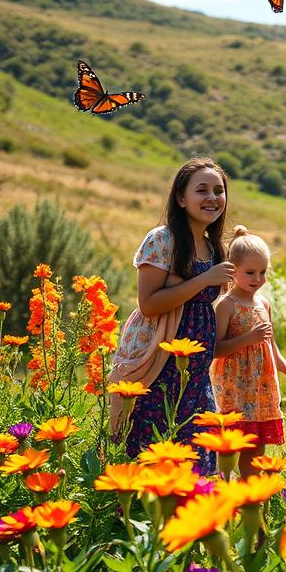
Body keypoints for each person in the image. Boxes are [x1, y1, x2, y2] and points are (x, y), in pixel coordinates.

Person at [109, 157, 234, 471]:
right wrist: (203, 279)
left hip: (196, 369)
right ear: (181, 198)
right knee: (150, 447)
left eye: (218, 190)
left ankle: (192, 516)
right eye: (202, 190)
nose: (212, 197)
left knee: (199, 452)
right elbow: (149, 303)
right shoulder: (162, 240)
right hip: (160, 362)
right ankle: (136, 515)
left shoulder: (212, 246)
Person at [210, 226, 286, 477]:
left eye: (262, 272)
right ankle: (225, 485)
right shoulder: (226, 305)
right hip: (234, 387)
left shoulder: (264, 303)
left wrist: (283, 364)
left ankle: (250, 491)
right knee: (232, 442)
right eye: (250, 272)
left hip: (261, 387)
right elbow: (216, 349)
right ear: (232, 270)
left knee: (257, 441)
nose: (257, 279)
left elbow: (270, 343)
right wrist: (249, 338)